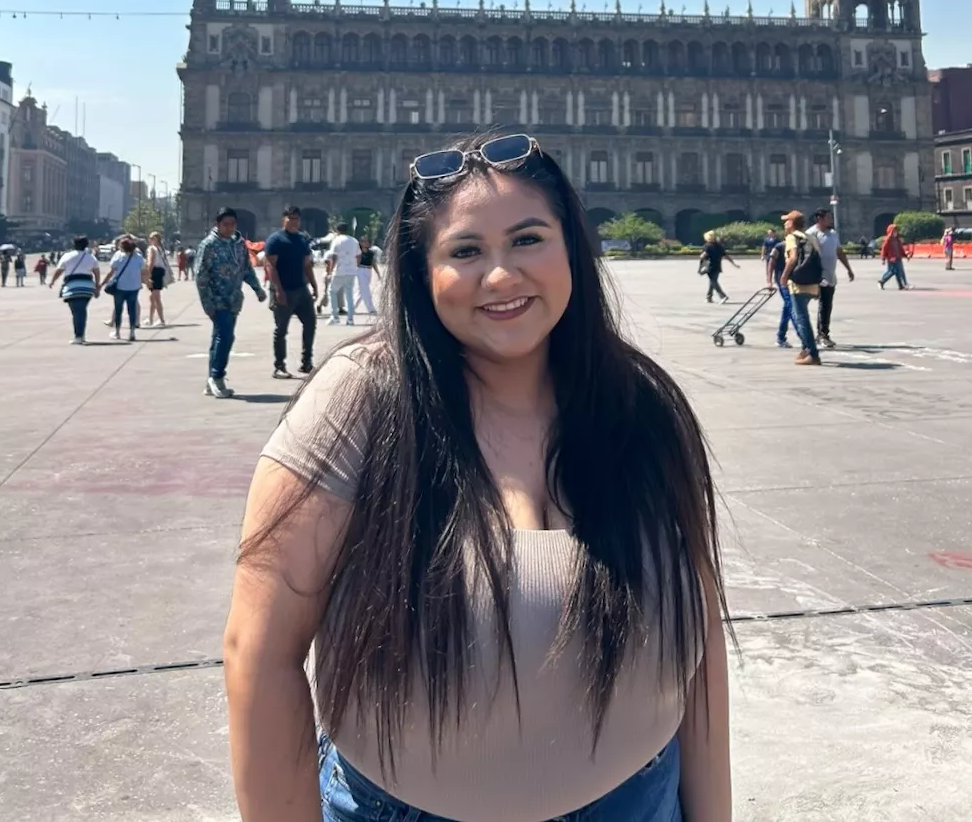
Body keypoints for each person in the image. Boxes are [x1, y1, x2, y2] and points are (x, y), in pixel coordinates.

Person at [224, 131, 732, 822]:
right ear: (420, 270)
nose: (500, 275)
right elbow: (258, 655)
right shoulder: (363, 402)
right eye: (465, 250)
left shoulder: (638, 404)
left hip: (639, 801)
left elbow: (697, 654)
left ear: (570, 247)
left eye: (527, 239)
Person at [195, 206, 267, 399]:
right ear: (217, 225)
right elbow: (201, 276)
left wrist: (257, 289)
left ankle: (211, 380)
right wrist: (207, 304)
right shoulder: (209, 245)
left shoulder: (239, 244)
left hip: (233, 299)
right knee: (226, 337)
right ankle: (217, 376)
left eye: (232, 224)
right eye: (225, 224)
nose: (229, 228)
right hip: (217, 300)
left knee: (218, 338)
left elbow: (246, 270)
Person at [264, 205, 319, 379]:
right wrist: (278, 290)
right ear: (284, 219)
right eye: (290, 218)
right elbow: (270, 266)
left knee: (310, 323)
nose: (294, 222)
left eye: (296, 218)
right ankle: (279, 366)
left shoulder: (302, 239)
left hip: (301, 289)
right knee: (281, 330)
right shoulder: (276, 239)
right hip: (283, 289)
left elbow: (306, 264)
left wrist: (314, 285)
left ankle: (306, 362)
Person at [807, 208, 855, 350]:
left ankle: (821, 334)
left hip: (830, 276)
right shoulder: (812, 234)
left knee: (826, 305)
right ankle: (821, 335)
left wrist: (848, 269)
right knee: (822, 305)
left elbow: (839, 252)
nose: (831, 220)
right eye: (828, 218)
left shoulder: (833, 234)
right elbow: (808, 256)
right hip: (817, 276)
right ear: (819, 219)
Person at [780, 209, 822, 365]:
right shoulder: (811, 237)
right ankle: (805, 349)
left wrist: (784, 277)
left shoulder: (792, 238)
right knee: (801, 317)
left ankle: (813, 354)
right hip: (812, 283)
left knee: (801, 319)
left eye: (786, 221)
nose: (784, 223)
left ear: (791, 223)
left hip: (798, 284)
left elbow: (793, 258)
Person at [49, 236, 101, 344]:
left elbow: (59, 270)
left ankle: (78, 336)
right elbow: (96, 272)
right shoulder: (91, 257)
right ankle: (81, 334)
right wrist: (97, 286)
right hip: (87, 287)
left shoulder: (67, 256)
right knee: (82, 310)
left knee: (76, 312)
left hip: (72, 287)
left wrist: (52, 281)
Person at [101, 236, 147, 342]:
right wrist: (147, 282)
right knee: (132, 310)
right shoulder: (138, 257)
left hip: (120, 287)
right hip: (134, 287)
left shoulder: (118, 256)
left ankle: (117, 332)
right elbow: (143, 271)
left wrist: (101, 284)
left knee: (118, 309)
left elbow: (111, 272)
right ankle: (132, 332)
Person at [323, 220, 360, 326]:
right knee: (349, 295)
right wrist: (355, 266)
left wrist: (330, 271)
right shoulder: (354, 240)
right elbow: (358, 255)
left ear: (337, 230)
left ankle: (334, 317)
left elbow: (334, 257)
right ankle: (350, 319)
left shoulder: (336, 240)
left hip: (339, 270)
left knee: (332, 291)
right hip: (351, 271)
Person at [765, 233, 796, 348]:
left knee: (788, 307)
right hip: (781, 280)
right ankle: (803, 337)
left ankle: (781, 336)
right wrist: (769, 281)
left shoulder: (796, 247)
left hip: (793, 280)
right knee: (791, 306)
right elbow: (771, 264)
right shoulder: (779, 247)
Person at [700, 230, 739, 304]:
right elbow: (726, 256)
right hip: (718, 266)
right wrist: (734, 264)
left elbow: (703, 255)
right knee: (713, 281)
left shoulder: (707, 246)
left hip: (709, 267)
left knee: (713, 282)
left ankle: (723, 296)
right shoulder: (719, 246)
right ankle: (709, 297)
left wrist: (702, 256)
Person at [145, 231, 173, 327]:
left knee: (156, 297)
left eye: (150, 238)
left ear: (155, 239)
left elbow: (151, 262)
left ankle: (161, 320)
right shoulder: (160, 249)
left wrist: (148, 274)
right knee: (152, 297)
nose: (149, 240)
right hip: (160, 272)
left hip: (155, 272)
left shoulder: (152, 249)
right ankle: (150, 318)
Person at [355, 234, 381, 315]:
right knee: (366, 290)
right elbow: (356, 263)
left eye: (368, 241)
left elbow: (373, 263)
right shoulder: (358, 252)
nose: (367, 243)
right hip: (361, 270)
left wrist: (378, 273)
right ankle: (371, 308)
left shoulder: (371, 253)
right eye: (365, 242)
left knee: (361, 291)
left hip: (368, 270)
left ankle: (352, 307)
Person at [878, 223, 908, 290]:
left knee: (898, 271)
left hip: (898, 258)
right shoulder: (888, 240)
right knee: (893, 271)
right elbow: (884, 249)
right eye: (894, 231)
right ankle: (882, 281)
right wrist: (883, 259)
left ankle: (901, 285)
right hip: (891, 258)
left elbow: (901, 249)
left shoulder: (897, 240)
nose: (895, 233)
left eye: (896, 231)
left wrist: (905, 255)